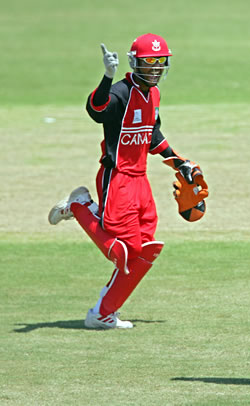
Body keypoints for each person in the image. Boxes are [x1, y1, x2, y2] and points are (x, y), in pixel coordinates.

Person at [48, 33, 205, 329]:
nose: (156, 68)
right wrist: (107, 77)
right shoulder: (120, 92)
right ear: (136, 63)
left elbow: (152, 136)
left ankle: (103, 313)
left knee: (147, 249)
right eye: (150, 62)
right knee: (123, 251)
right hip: (117, 176)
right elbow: (97, 110)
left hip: (140, 180)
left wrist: (178, 162)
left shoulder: (154, 94)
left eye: (161, 62)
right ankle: (80, 205)